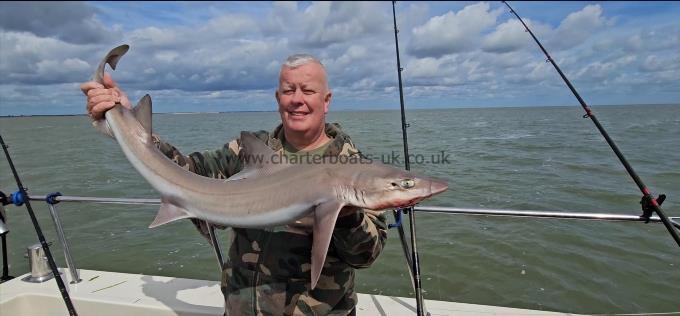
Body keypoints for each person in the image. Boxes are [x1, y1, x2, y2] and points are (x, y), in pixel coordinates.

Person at [81, 54, 388, 315]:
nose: (297, 99)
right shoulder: (249, 150)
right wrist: (123, 127)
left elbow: (365, 255)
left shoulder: (354, 167)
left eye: (308, 90)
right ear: (277, 97)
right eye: (288, 90)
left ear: (326, 100)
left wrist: (345, 212)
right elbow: (186, 172)